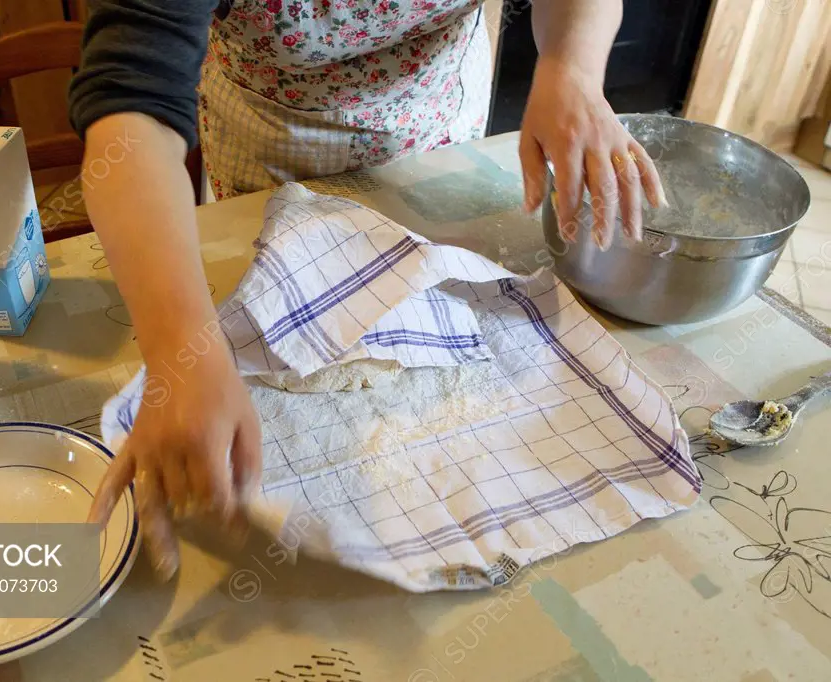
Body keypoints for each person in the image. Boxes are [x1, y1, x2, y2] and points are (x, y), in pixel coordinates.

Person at [69, 0, 666, 580]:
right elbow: (132, 110)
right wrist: (181, 348)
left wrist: (571, 64)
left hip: (437, 147)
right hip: (271, 153)